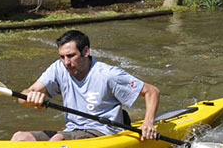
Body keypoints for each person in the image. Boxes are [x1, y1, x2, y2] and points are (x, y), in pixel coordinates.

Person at [11, 30, 159, 142]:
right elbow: (23, 98)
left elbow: (152, 91)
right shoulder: (58, 69)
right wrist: (30, 97)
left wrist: (148, 123)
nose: (66, 62)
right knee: (19, 137)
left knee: (57, 140)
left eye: (71, 56)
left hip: (103, 132)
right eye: (62, 57)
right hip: (73, 130)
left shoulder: (109, 74)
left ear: (86, 51)